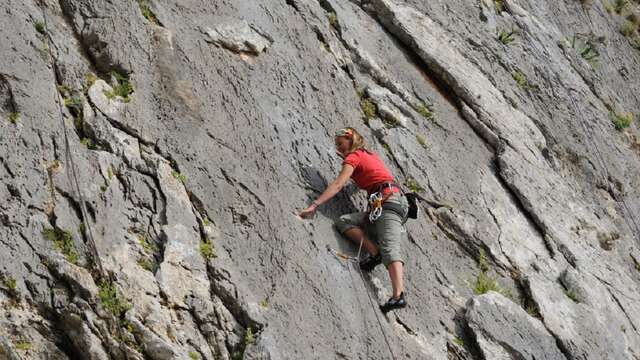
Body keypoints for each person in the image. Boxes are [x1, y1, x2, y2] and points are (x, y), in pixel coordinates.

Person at [298, 127, 410, 313]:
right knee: (344, 221)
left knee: (390, 247)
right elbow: (373, 175)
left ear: (351, 141)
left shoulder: (354, 157)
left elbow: (338, 184)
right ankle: (375, 254)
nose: (340, 148)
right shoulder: (368, 155)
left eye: (341, 144)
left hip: (389, 203)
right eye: (338, 146)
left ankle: (398, 296)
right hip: (384, 204)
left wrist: (315, 204)